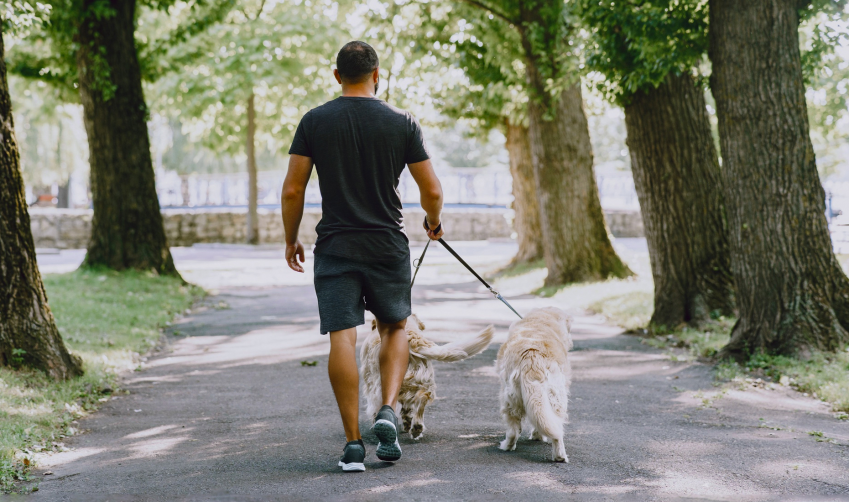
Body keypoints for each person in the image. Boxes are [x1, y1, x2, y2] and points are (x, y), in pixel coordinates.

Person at [281, 40, 444, 473]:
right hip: (386, 244)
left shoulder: (314, 121)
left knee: (343, 338)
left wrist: (290, 238)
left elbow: (293, 188)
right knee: (394, 328)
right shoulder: (401, 121)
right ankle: (388, 409)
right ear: (377, 74)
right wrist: (433, 220)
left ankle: (353, 443)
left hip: (335, 244)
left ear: (337, 76)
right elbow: (432, 190)